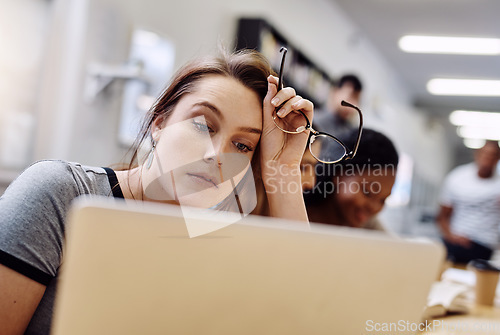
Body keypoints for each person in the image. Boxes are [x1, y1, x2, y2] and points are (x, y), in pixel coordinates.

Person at [0, 48, 314, 334]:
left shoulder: (222, 244)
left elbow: (305, 317)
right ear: (160, 123)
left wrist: (282, 168)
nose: (217, 155)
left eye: (242, 145)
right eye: (203, 125)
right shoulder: (62, 194)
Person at [303, 128, 399, 231]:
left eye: (382, 200)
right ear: (338, 174)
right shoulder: (295, 214)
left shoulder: (368, 226)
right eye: (368, 192)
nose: (374, 207)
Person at [437, 140, 500, 264]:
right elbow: (442, 216)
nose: (488, 159)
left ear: (498, 159)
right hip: (456, 241)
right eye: (485, 154)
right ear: (477, 154)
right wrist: (451, 235)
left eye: (493, 156)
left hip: (485, 245)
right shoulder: (457, 177)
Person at [313, 74, 363, 140]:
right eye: (350, 97)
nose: (353, 105)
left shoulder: (350, 132)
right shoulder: (314, 120)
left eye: (357, 100)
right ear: (335, 91)